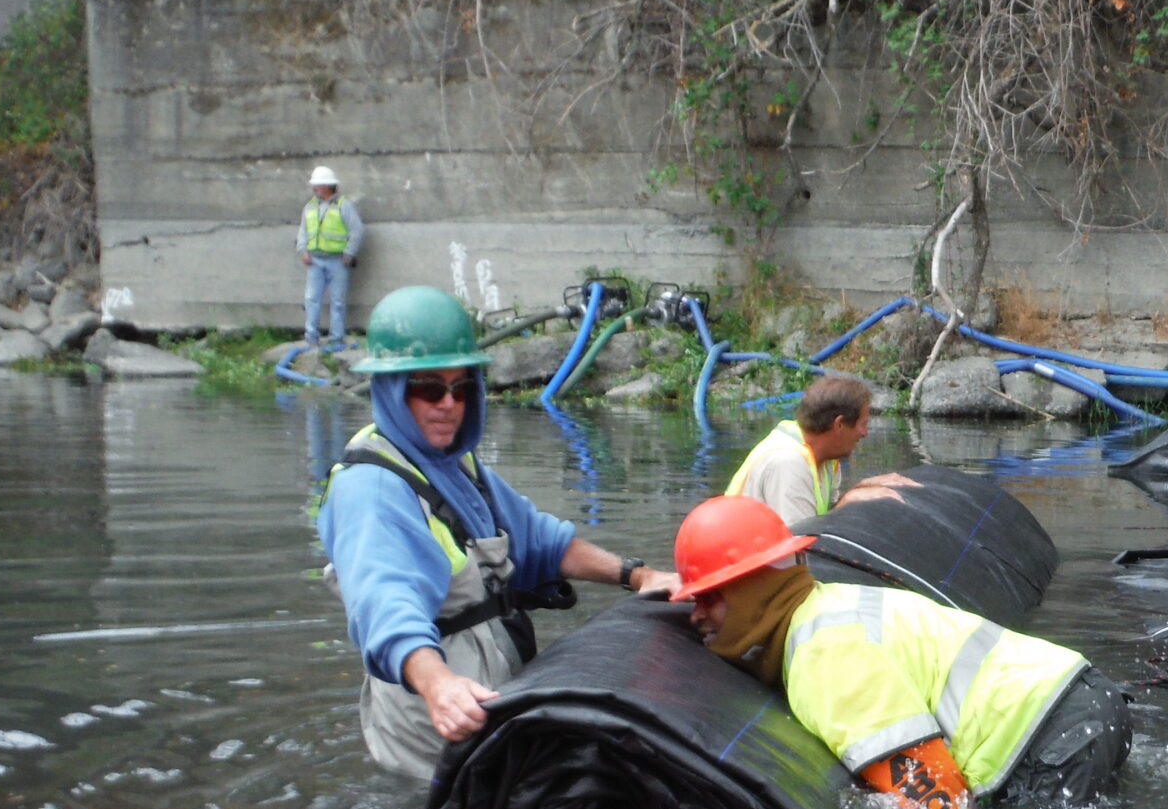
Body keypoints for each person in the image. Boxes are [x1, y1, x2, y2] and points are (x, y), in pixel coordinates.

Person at [319, 285, 668, 778]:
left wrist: (639, 576)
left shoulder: (452, 461)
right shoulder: (373, 491)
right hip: (436, 724)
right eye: (429, 388)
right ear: (391, 389)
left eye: (462, 388)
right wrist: (440, 686)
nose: (449, 404)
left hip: (493, 700)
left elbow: (540, 541)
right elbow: (384, 608)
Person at [670, 495, 1130, 809]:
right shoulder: (828, 604)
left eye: (709, 598)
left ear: (752, 590)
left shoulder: (823, 657)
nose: (697, 616)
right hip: (1080, 704)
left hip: (1053, 738)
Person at [725, 373, 877, 525]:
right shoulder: (788, 463)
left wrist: (862, 490)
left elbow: (825, 519)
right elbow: (797, 539)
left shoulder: (826, 457)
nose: (865, 433)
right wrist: (850, 499)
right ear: (839, 424)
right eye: (863, 425)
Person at [296, 166, 362, 348]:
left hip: (338, 261)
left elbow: (356, 230)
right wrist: (303, 250)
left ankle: (336, 339)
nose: (315, 188)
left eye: (318, 184)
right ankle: (311, 337)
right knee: (311, 299)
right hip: (315, 260)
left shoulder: (344, 205)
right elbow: (303, 231)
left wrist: (349, 253)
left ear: (327, 185)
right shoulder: (310, 206)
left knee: (338, 301)